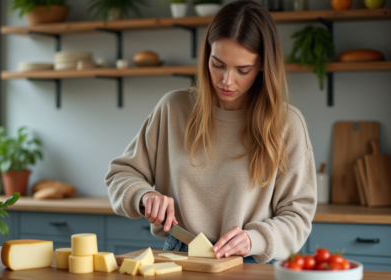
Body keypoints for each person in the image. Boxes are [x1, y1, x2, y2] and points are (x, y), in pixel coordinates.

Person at [105, 0, 317, 264]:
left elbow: (298, 215)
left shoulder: (287, 123)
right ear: (206, 56)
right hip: (177, 256)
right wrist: (144, 195)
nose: (227, 81)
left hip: (249, 261)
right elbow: (121, 174)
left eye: (243, 70)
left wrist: (256, 239)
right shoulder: (173, 108)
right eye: (217, 64)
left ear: (263, 65)